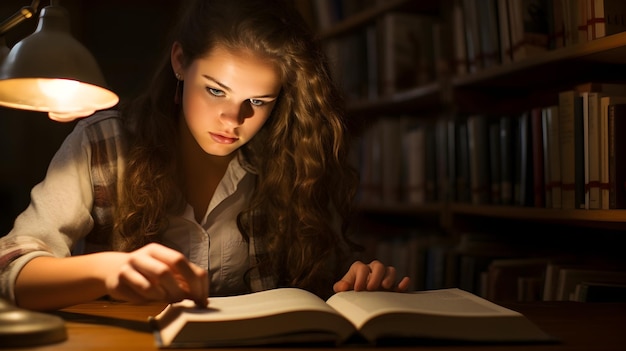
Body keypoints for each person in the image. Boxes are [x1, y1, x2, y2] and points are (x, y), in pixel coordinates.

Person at [0, 0, 410, 311]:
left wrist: (357, 282)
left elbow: (322, 282)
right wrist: (107, 270)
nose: (233, 119)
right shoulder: (106, 143)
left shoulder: (291, 160)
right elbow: (11, 266)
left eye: (259, 101)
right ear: (180, 62)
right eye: (215, 91)